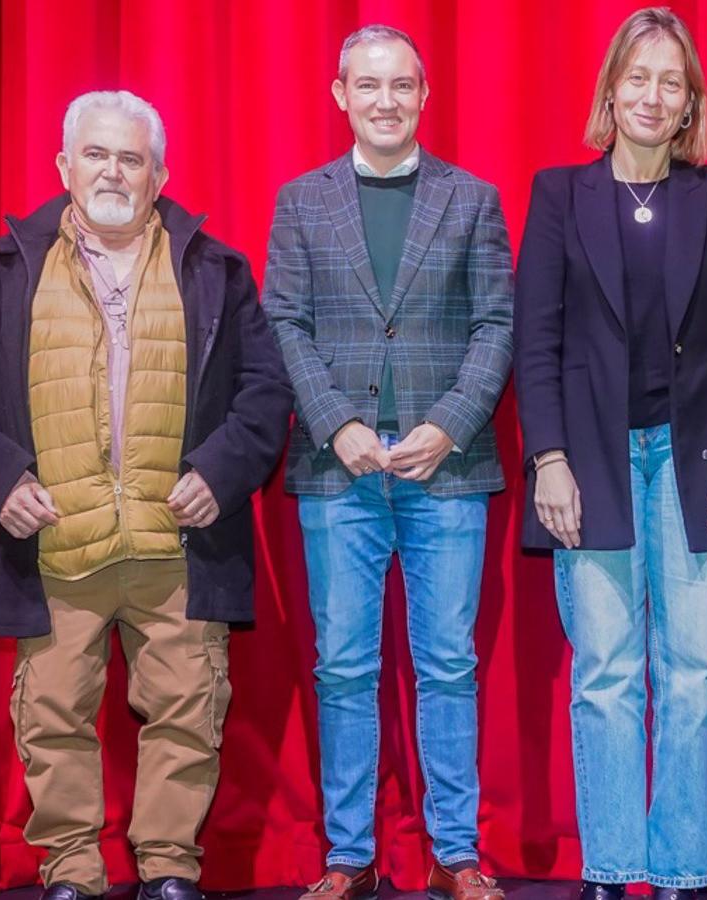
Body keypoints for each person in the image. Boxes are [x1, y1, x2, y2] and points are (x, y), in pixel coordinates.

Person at [0, 90, 292, 900]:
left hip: (178, 546)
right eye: (96, 155)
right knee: (52, 715)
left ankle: (168, 868)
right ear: (65, 166)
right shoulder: (9, 268)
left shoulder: (214, 270)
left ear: (159, 176)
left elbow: (266, 393)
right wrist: (1, 483)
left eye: (132, 158)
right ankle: (72, 874)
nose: (114, 172)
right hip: (58, 543)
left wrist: (221, 472)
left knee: (188, 713)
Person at [513, 8, 707, 899]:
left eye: (672, 81)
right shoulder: (558, 194)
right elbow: (534, 341)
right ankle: (614, 868)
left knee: (695, 674)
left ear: (689, 98)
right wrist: (547, 457)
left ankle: (685, 871)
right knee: (607, 675)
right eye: (638, 77)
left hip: (699, 461)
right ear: (611, 90)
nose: (653, 95)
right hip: (591, 463)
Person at [263, 24, 514, 900]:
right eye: (368, 86)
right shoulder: (301, 202)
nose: (386, 101)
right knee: (343, 667)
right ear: (339, 95)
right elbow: (284, 324)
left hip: (445, 467)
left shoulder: (473, 199)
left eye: (402, 85)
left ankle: (455, 854)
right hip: (340, 473)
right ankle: (349, 857)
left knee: (448, 663)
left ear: (424, 95)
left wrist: (448, 423)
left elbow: (496, 327)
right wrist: (335, 425)